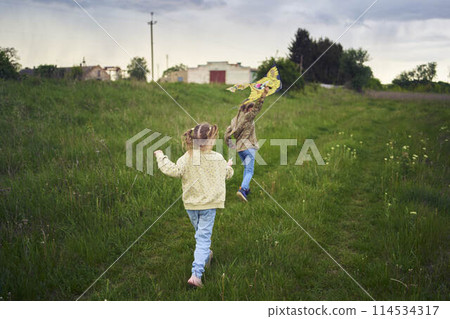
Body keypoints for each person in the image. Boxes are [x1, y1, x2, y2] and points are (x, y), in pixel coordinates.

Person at [154, 122, 233, 288]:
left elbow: (173, 170)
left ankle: (206, 255)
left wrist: (161, 156)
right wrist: (228, 167)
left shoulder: (186, 158)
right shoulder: (217, 158)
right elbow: (227, 174)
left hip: (191, 205)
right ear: (208, 142)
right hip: (208, 205)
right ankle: (196, 275)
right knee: (203, 238)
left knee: (200, 235)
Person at [224, 86, 270, 202]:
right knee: (250, 171)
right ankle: (242, 189)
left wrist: (230, 145)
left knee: (246, 168)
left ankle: (247, 189)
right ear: (248, 108)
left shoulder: (235, 119)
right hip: (248, 147)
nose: (252, 109)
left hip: (240, 149)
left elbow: (227, 133)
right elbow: (257, 109)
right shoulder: (248, 117)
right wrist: (263, 94)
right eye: (251, 107)